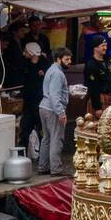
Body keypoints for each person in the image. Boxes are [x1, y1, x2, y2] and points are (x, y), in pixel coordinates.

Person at [37, 47, 73, 176]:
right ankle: (56, 169)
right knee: (56, 139)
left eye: (70, 59)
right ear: (58, 59)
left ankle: (43, 167)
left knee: (46, 138)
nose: (69, 61)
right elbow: (54, 95)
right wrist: (61, 113)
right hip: (52, 109)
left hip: (44, 107)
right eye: (66, 59)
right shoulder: (58, 73)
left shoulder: (51, 70)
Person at [18, 41, 50, 153]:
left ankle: (44, 160)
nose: (23, 53)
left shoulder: (45, 64)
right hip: (28, 106)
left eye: (26, 51)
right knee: (24, 134)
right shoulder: (26, 64)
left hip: (39, 105)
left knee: (43, 134)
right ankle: (20, 159)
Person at [83, 37, 111, 112]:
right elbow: (93, 87)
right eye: (103, 46)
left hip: (109, 99)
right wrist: (97, 108)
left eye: (106, 46)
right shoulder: (91, 65)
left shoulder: (106, 62)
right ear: (95, 48)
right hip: (99, 101)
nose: (105, 48)